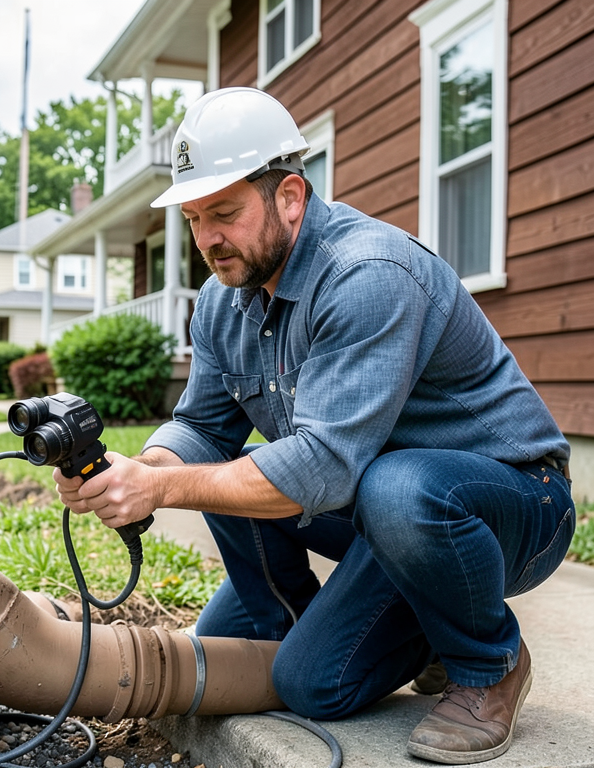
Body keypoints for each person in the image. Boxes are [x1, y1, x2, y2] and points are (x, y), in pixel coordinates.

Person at [53, 87, 575, 765]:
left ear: (291, 198)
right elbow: (202, 430)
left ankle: (488, 662)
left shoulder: (368, 275)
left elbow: (323, 466)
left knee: (315, 680)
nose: (208, 238)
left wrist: (163, 490)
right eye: (192, 217)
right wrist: (139, 472)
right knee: (243, 640)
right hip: (380, 506)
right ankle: (329, 625)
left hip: (510, 504)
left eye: (226, 212)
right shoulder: (222, 300)